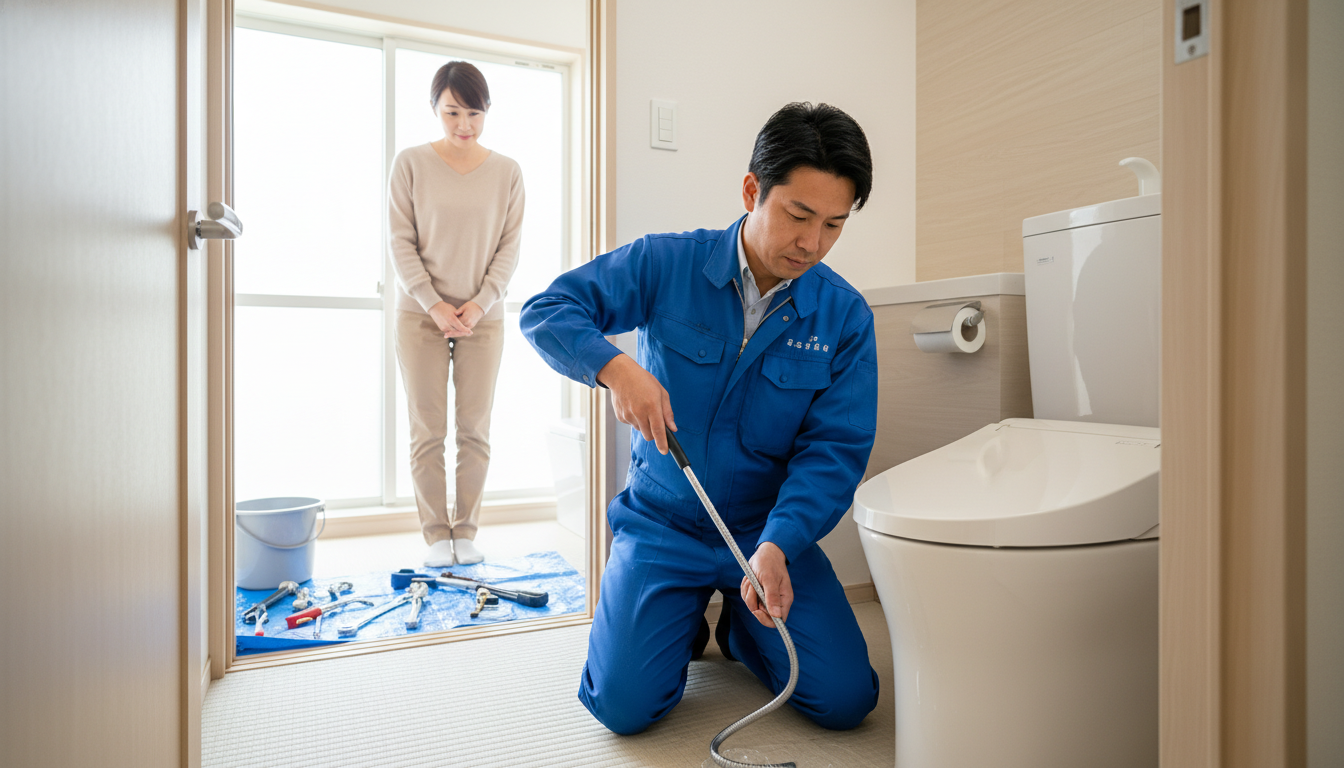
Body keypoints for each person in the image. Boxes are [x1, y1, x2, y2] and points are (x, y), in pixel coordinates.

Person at [520, 102, 880, 734]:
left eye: (833, 225)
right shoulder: (666, 262)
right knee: (622, 707)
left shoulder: (844, 316)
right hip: (663, 524)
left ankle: (740, 632)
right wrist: (615, 367)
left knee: (847, 700)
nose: (812, 243)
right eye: (798, 215)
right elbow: (547, 309)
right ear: (752, 191)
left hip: (765, 535)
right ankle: (679, 615)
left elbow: (835, 451)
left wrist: (780, 543)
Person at [389, 61, 525, 567]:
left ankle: (464, 532)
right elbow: (400, 241)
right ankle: (434, 536)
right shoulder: (410, 164)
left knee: (474, 429)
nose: (464, 124)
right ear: (435, 109)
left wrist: (481, 301)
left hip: (482, 318)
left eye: (474, 112)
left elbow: (509, 247)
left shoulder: (507, 172)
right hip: (419, 315)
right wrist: (433, 302)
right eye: (452, 112)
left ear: (487, 111)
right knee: (427, 430)